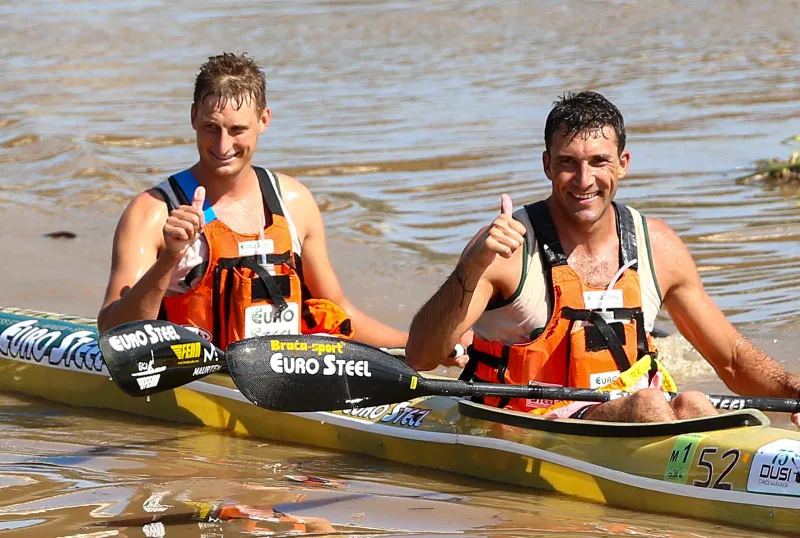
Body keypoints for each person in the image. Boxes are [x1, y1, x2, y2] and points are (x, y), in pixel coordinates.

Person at [406, 91, 800, 425]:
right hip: (527, 424)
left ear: (622, 165)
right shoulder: (505, 249)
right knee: (648, 403)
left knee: (694, 401)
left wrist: (793, 390)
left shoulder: (659, 246)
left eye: (599, 161)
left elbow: (731, 359)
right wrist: (471, 266)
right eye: (567, 163)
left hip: (636, 418)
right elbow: (421, 356)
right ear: (547, 165)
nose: (584, 180)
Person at [98, 52, 406, 350]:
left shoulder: (294, 201)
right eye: (211, 128)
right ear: (193, 118)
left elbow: (339, 311)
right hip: (200, 379)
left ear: (263, 120)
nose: (223, 145)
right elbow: (113, 332)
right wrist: (170, 258)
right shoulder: (152, 212)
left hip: (288, 376)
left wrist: (416, 346)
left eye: (237, 130)